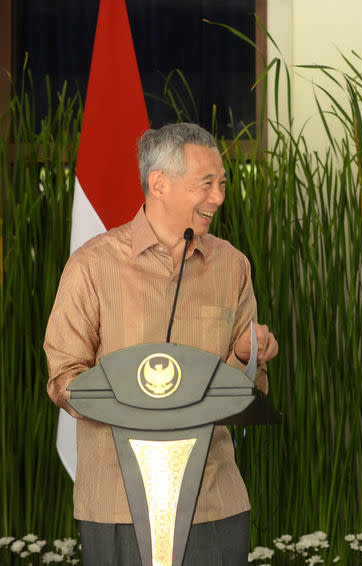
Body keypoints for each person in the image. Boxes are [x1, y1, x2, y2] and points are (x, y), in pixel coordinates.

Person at [44, 122, 278, 565]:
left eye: (222, 183)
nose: (218, 198)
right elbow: (64, 377)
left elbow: (250, 391)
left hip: (213, 502)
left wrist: (248, 358)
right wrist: (138, 400)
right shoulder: (92, 266)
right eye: (205, 184)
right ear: (159, 184)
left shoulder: (232, 265)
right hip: (117, 502)